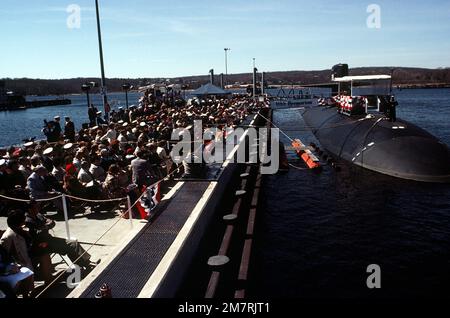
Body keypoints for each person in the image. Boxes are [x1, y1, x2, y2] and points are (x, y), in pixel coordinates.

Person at [25, 201, 93, 269]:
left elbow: (51, 222)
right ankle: (86, 264)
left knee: (72, 243)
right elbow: (37, 233)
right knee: (71, 245)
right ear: (30, 209)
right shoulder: (28, 220)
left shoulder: (38, 215)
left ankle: (85, 263)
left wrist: (48, 224)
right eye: (36, 207)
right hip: (41, 244)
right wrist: (46, 226)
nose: (38, 209)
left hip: (48, 239)